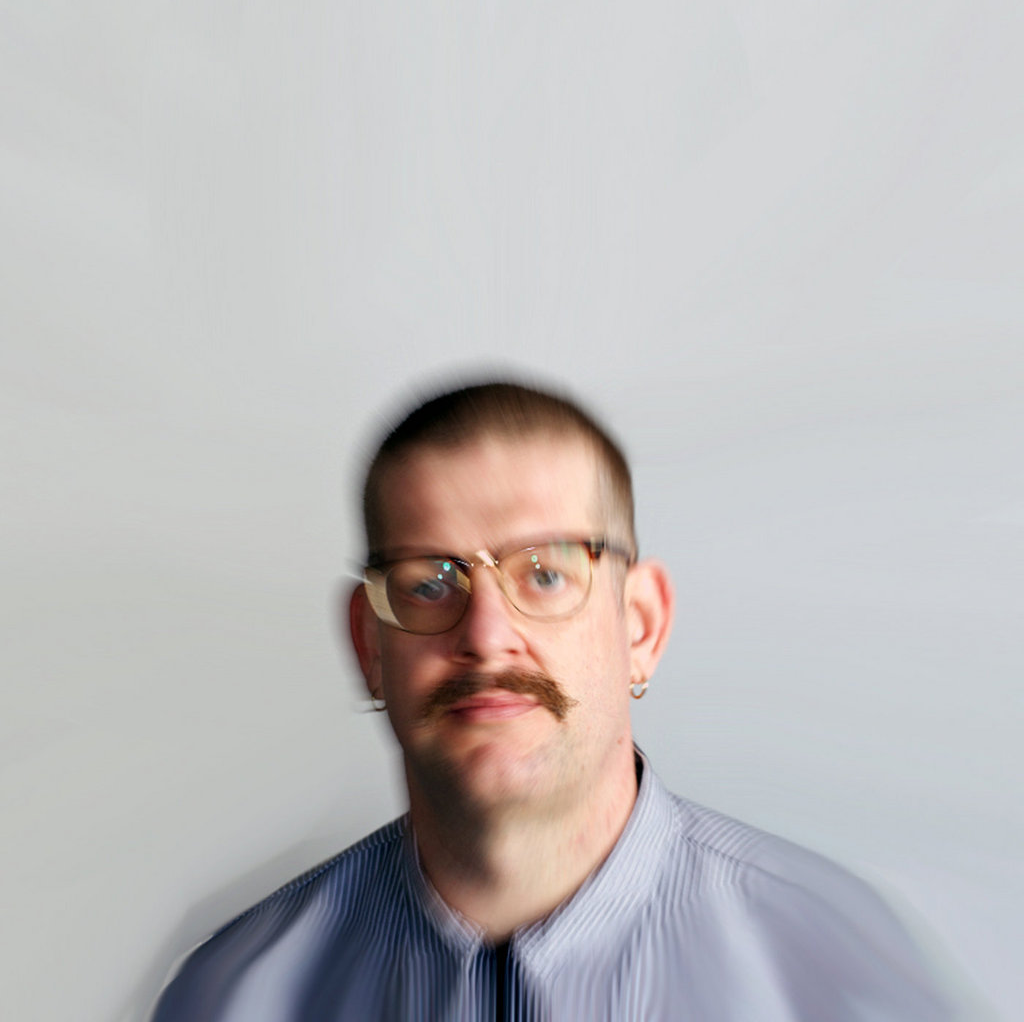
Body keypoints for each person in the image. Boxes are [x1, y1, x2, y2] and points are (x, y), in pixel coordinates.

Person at [152, 380, 954, 1021]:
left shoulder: (833, 974)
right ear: (370, 645)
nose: (486, 635)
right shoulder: (233, 995)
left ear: (640, 625)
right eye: (429, 583)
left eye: (545, 573)